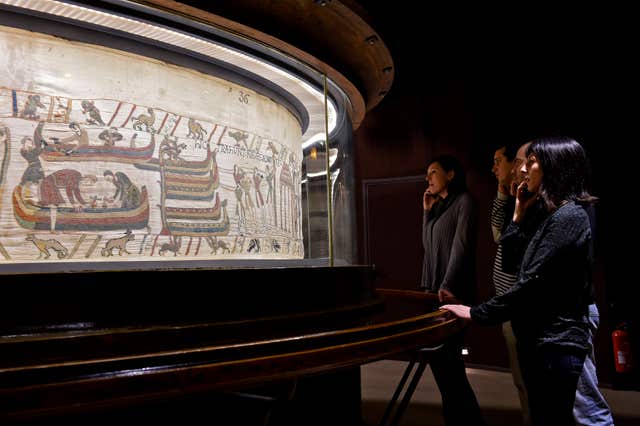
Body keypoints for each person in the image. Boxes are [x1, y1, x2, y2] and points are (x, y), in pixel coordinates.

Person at [442, 137, 599, 425]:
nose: (522, 170)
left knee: (580, 412)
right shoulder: (546, 212)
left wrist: (475, 313)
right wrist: (518, 214)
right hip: (539, 338)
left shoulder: (570, 216)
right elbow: (510, 258)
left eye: (531, 162)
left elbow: (530, 284)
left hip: (557, 340)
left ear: (554, 167)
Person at [420, 154, 485, 425]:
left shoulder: (464, 203)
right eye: (427, 174)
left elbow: (461, 248)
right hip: (434, 293)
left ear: (450, 175)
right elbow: (426, 246)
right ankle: (458, 418)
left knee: (450, 368)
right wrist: (426, 213)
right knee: (443, 367)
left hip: (453, 295)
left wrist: (447, 285)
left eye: (433, 172)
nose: (428, 178)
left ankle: (468, 420)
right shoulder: (438, 208)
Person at [489, 142, 531, 425]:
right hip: (509, 305)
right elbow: (497, 234)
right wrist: (502, 195)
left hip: (523, 306)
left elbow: (506, 239)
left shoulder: (528, 200)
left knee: (531, 382)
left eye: (499, 161)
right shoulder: (509, 196)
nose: (495, 168)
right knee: (521, 381)